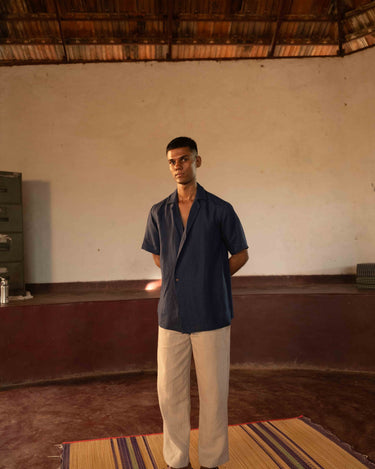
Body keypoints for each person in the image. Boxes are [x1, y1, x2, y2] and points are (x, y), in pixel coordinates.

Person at [142, 137, 248, 469]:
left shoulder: (220, 209)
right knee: (170, 394)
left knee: (214, 393)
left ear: (197, 161)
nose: (178, 166)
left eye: (184, 159)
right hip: (171, 314)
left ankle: (212, 461)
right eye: (172, 161)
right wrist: (184, 278)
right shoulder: (159, 211)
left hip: (212, 313)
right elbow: (159, 257)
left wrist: (211, 279)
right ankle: (177, 461)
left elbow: (241, 254)